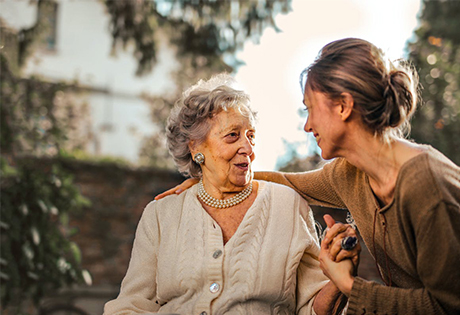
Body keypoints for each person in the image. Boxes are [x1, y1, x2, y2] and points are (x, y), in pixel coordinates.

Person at [155, 38, 460, 315]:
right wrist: (210, 178)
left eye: (310, 109)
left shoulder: (427, 186)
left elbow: (448, 305)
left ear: (343, 106)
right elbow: (288, 182)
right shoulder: (350, 174)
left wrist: (350, 287)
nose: (308, 125)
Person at [104, 73, 355, 315]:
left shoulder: (288, 205)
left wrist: (338, 279)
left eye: (251, 136)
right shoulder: (161, 214)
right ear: (196, 147)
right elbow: (130, 306)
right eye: (233, 135)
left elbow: (313, 308)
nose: (247, 148)